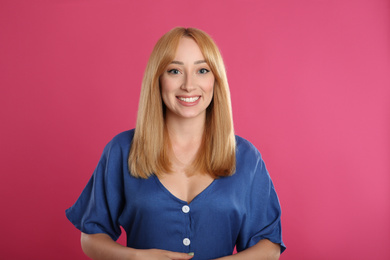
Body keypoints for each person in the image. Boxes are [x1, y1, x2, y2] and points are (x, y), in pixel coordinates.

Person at [66, 27, 285, 260]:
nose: (189, 85)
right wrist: (136, 258)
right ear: (158, 78)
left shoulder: (246, 157)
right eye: (174, 71)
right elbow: (90, 237)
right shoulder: (122, 150)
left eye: (202, 70)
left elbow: (269, 245)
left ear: (216, 79)